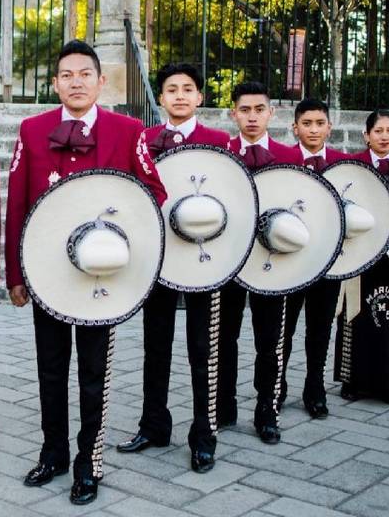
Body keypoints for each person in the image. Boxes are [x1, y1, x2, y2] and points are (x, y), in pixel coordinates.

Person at [5, 40, 167, 505]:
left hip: (103, 275)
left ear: (101, 81)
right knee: (50, 369)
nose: (76, 82)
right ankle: (52, 451)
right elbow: (16, 202)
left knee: (95, 369)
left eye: (84, 74)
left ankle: (88, 462)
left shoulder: (128, 129)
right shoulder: (33, 129)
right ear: (55, 84)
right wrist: (16, 273)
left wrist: (120, 223)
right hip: (47, 272)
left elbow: (154, 192)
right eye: (66, 75)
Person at [116, 63, 229, 473]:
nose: (179, 95)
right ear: (160, 98)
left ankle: (204, 435)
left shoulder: (220, 141)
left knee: (203, 347)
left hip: (204, 258)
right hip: (160, 255)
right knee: (155, 343)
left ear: (200, 97)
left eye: (187, 89)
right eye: (171, 89)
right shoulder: (144, 139)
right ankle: (154, 425)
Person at [218, 81, 302, 445]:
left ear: (272, 113)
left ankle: (267, 409)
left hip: (273, 260)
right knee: (225, 336)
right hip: (231, 259)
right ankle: (223, 405)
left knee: (271, 339)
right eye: (245, 110)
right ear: (233, 113)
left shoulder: (290, 156)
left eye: (259, 110)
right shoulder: (219, 153)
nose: (252, 117)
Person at [335, 109, 389, 404]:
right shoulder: (353, 166)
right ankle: (352, 381)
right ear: (366, 135)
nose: (385, 136)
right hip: (361, 251)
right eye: (379, 131)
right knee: (355, 315)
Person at [280, 98, 350, 419]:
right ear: (295, 128)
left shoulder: (345, 164)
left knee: (320, 326)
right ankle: (277, 384)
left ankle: (315, 386)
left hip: (329, 260)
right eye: (306, 124)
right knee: (285, 326)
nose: (313, 129)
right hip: (291, 261)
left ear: (329, 127)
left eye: (319, 123)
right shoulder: (282, 160)